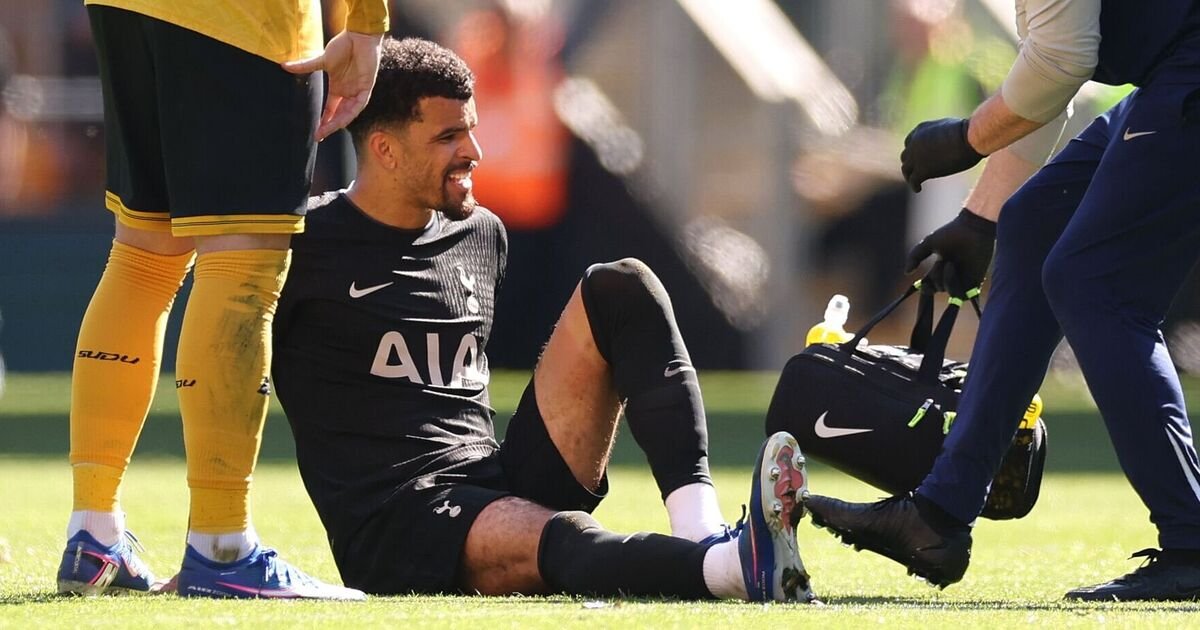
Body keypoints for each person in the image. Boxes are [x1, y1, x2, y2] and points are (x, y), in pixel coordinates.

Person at [271, 37, 817, 602]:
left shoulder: (482, 233)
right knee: (565, 537)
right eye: (448, 137)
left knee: (622, 285)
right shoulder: (301, 245)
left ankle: (702, 530)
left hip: (492, 477)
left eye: (471, 129)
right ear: (384, 149)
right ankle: (732, 568)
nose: (474, 151)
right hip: (398, 523)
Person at [801, 0, 1200, 601]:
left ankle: (1191, 541)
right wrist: (979, 218)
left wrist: (965, 139)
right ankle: (939, 512)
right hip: (1175, 69)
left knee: (1092, 282)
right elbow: (1054, 66)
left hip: (1187, 69)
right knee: (1033, 225)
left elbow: (1061, 61)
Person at [57, 0, 387, 599]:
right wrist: (367, 23)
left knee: (142, 259)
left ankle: (93, 532)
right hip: (246, 19)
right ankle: (222, 546)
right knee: (243, 268)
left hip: (122, 10)